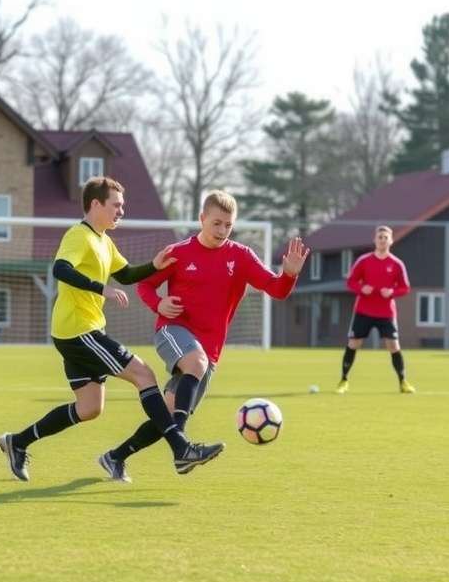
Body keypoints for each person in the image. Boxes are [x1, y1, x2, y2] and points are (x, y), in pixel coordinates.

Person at [0, 176, 224, 481]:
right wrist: (100, 289)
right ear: (96, 204)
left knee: (89, 408)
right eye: (116, 205)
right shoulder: (79, 236)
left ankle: (17, 442)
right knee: (143, 374)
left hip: (74, 332)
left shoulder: (104, 240)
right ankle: (181, 447)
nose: (121, 211)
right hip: (79, 331)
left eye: (123, 206)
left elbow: (128, 274)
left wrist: (155, 266)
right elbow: (60, 269)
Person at [98, 190, 309, 482]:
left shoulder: (241, 256)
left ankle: (115, 457)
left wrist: (289, 274)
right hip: (172, 331)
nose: (222, 230)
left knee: (169, 415)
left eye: (228, 225)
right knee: (195, 363)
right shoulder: (178, 253)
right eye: (217, 223)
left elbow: (277, 290)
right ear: (202, 219)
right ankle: (184, 448)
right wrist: (158, 303)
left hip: (209, 351)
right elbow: (145, 286)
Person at [336, 225, 416, 394]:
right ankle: (343, 380)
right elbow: (350, 282)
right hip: (363, 310)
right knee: (354, 343)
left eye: (385, 237)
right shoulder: (364, 261)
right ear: (375, 240)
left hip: (386, 313)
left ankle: (403, 382)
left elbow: (405, 288)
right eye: (379, 237)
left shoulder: (396, 264)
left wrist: (392, 292)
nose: (382, 240)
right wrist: (361, 288)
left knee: (393, 345)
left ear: (391, 241)